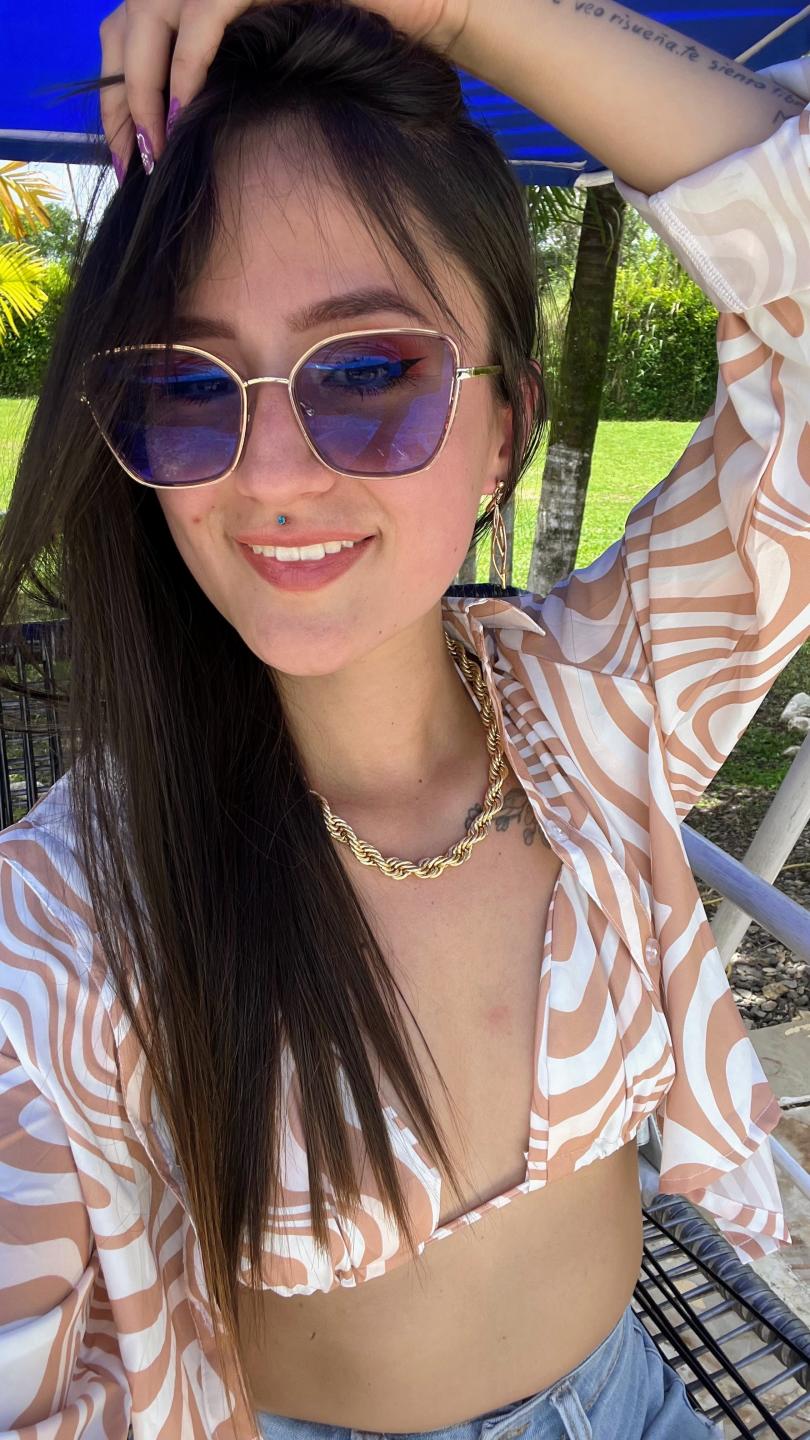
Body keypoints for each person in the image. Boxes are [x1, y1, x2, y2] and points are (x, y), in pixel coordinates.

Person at [0, 0, 808, 1435]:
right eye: (187, 390)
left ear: (506, 425)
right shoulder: (70, 919)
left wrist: (464, 13)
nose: (271, 475)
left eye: (369, 372)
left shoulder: (597, 710)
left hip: (640, 1403)